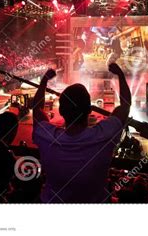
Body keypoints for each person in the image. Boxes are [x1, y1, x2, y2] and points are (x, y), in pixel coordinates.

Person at [32, 63, 131, 203]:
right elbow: (125, 106)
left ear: (61, 111)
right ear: (90, 110)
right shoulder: (104, 135)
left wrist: (43, 81)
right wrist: (120, 74)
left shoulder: (46, 136)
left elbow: (37, 110)